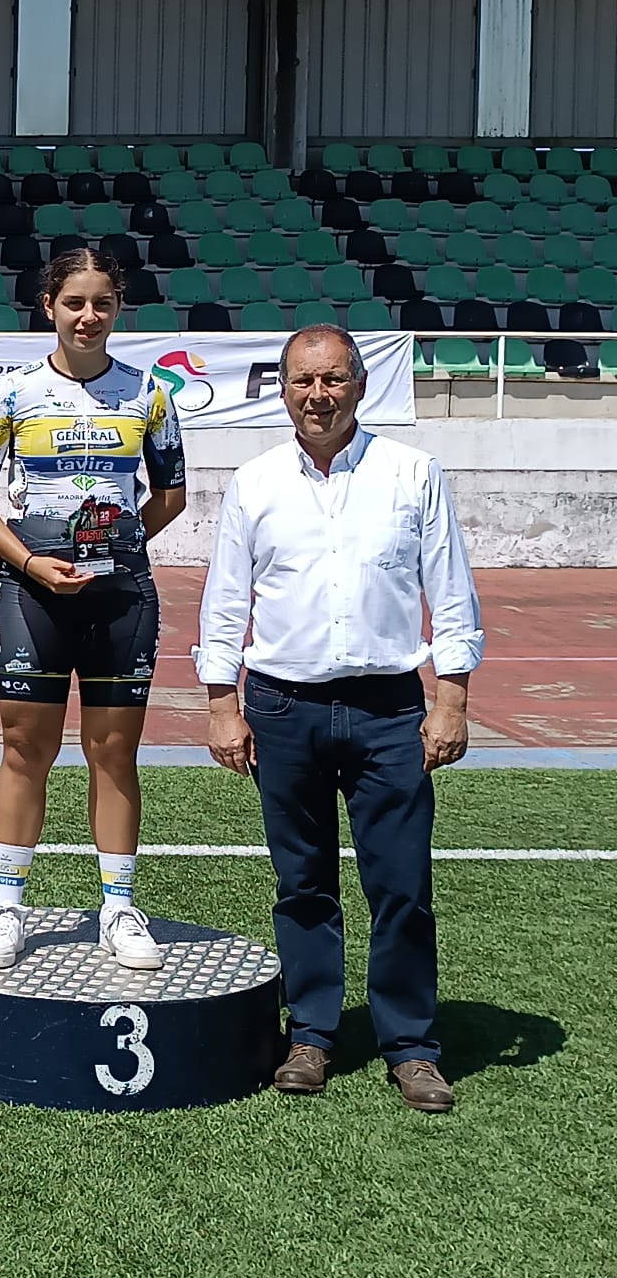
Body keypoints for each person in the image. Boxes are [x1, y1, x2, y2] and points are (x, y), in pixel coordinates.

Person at [198, 324, 483, 1113]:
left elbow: (450, 591)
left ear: (360, 385)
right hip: (283, 706)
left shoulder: (412, 473)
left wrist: (450, 697)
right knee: (302, 884)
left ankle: (412, 1047)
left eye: (332, 380)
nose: (317, 395)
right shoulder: (255, 483)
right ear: (283, 390)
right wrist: (224, 706)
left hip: (390, 708)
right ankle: (312, 1035)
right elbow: (225, 602)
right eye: (302, 381)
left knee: (401, 885)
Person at [0, 249, 187, 972]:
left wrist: (116, 548)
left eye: (104, 304)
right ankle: (8, 907)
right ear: (47, 306)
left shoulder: (149, 393)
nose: (89, 317)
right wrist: (30, 562)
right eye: (75, 303)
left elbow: (171, 492)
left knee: (114, 752)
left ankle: (118, 909)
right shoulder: (12, 395)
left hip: (121, 596)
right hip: (30, 592)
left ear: (119, 309)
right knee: (27, 748)